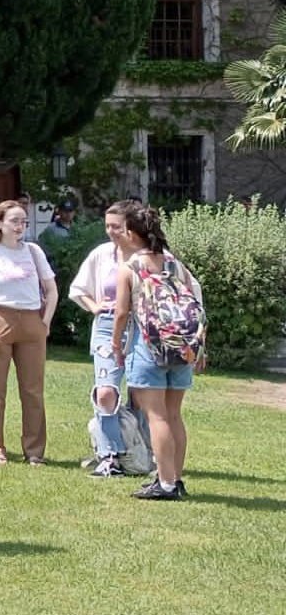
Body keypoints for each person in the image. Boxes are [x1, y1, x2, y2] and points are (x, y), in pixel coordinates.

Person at [111, 202, 201, 500]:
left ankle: (164, 483)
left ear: (133, 234)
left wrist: (116, 344)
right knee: (174, 415)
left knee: (156, 417)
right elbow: (195, 302)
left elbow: (122, 313)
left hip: (148, 346)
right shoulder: (175, 264)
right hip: (182, 348)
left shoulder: (130, 268)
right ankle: (176, 478)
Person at [0, 200, 58, 465]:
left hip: (32, 321)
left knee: (33, 391)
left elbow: (51, 290)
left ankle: (34, 451)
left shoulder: (33, 251)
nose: (20, 226)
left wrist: (46, 321)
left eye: (23, 222)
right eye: (15, 221)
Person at [73, 204, 151, 478]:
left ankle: (143, 453)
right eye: (107, 226)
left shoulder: (149, 258)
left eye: (116, 227)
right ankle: (109, 456)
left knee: (142, 394)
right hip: (107, 326)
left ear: (131, 228)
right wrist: (94, 306)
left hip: (142, 328)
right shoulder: (102, 255)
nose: (111, 232)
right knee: (105, 392)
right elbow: (78, 289)